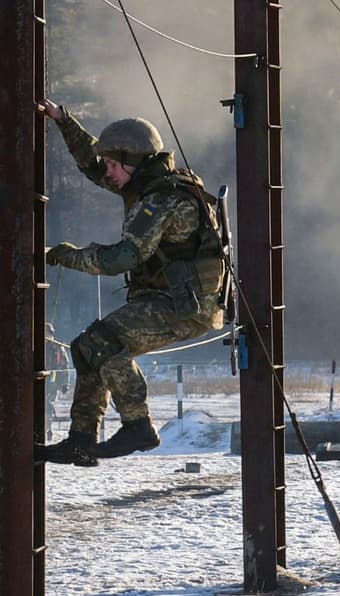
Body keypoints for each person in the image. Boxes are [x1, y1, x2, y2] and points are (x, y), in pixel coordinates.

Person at [36, 99, 226, 467]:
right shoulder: (147, 181)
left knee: (99, 342)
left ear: (132, 161)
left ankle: (138, 425)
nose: (108, 173)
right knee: (85, 348)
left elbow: (122, 257)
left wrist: (62, 255)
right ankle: (81, 439)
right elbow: (94, 164)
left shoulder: (163, 199)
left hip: (184, 306)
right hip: (171, 298)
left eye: (113, 165)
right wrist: (62, 121)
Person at [44, 322, 72, 442]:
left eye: (48, 333)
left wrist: (65, 383)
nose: (46, 335)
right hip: (36, 383)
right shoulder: (34, 346)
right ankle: (46, 429)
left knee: (47, 406)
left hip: (52, 384)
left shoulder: (57, 348)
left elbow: (64, 366)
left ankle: (45, 430)